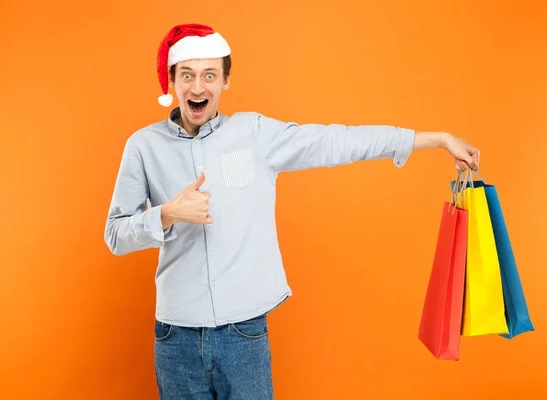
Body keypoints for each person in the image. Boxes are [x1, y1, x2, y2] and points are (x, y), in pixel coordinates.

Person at [104, 23, 480, 400]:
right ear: (172, 81)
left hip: (243, 334)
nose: (198, 87)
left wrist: (436, 139)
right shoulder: (143, 146)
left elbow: (337, 141)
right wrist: (167, 213)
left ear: (225, 81)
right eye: (187, 75)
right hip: (175, 337)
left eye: (209, 75)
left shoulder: (254, 134)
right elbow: (116, 236)